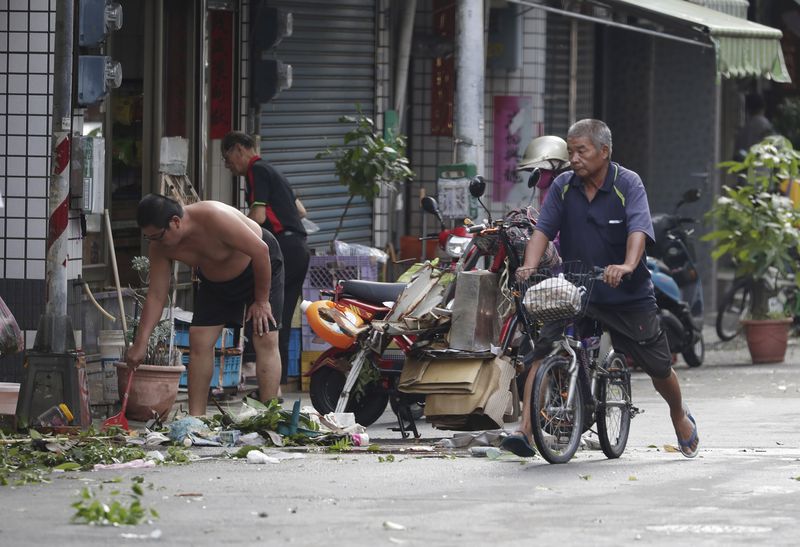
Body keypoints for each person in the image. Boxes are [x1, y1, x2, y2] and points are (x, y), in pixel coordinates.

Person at [503, 119, 699, 459]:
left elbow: (638, 229)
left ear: (604, 152)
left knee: (658, 366)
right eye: (571, 151)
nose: (574, 158)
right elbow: (543, 231)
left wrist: (625, 265)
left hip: (627, 293)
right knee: (544, 348)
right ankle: (525, 430)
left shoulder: (628, 183)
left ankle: (678, 414)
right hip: (576, 287)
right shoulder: (564, 186)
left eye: (582, 151)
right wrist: (529, 265)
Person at [126, 194, 284, 416]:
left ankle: (270, 415)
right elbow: (156, 294)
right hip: (214, 280)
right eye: (149, 238)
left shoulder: (214, 217)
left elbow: (261, 251)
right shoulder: (160, 246)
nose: (154, 242)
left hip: (258, 267)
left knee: (264, 335)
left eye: (158, 236)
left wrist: (261, 301)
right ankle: (196, 419)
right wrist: (140, 343)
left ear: (175, 222)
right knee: (199, 339)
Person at [221, 131, 311, 394]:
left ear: (239, 149)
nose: (228, 167)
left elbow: (258, 217)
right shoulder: (274, 172)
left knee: (264, 309)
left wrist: (231, 229)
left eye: (228, 159)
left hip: (282, 249)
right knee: (278, 315)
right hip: (300, 249)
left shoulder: (256, 171)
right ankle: (276, 386)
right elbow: (301, 211)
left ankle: (254, 369)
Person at [734, 93, 775, 161]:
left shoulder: (745, 127)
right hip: (762, 166)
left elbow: (737, 151)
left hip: (745, 166)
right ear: (763, 107)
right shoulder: (766, 125)